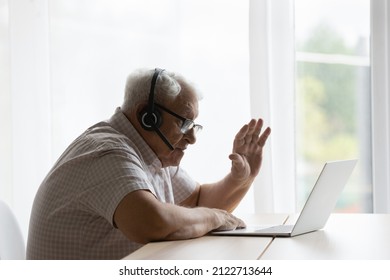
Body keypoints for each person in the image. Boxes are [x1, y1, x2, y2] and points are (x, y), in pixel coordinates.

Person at [26, 68, 271, 260]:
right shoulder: (108, 152)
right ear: (148, 116)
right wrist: (214, 218)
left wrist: (241, 179)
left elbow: (197, 203)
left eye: (194, 125)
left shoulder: (152, 154)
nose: (193, 138)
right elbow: (151, 223)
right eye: (184, 124)